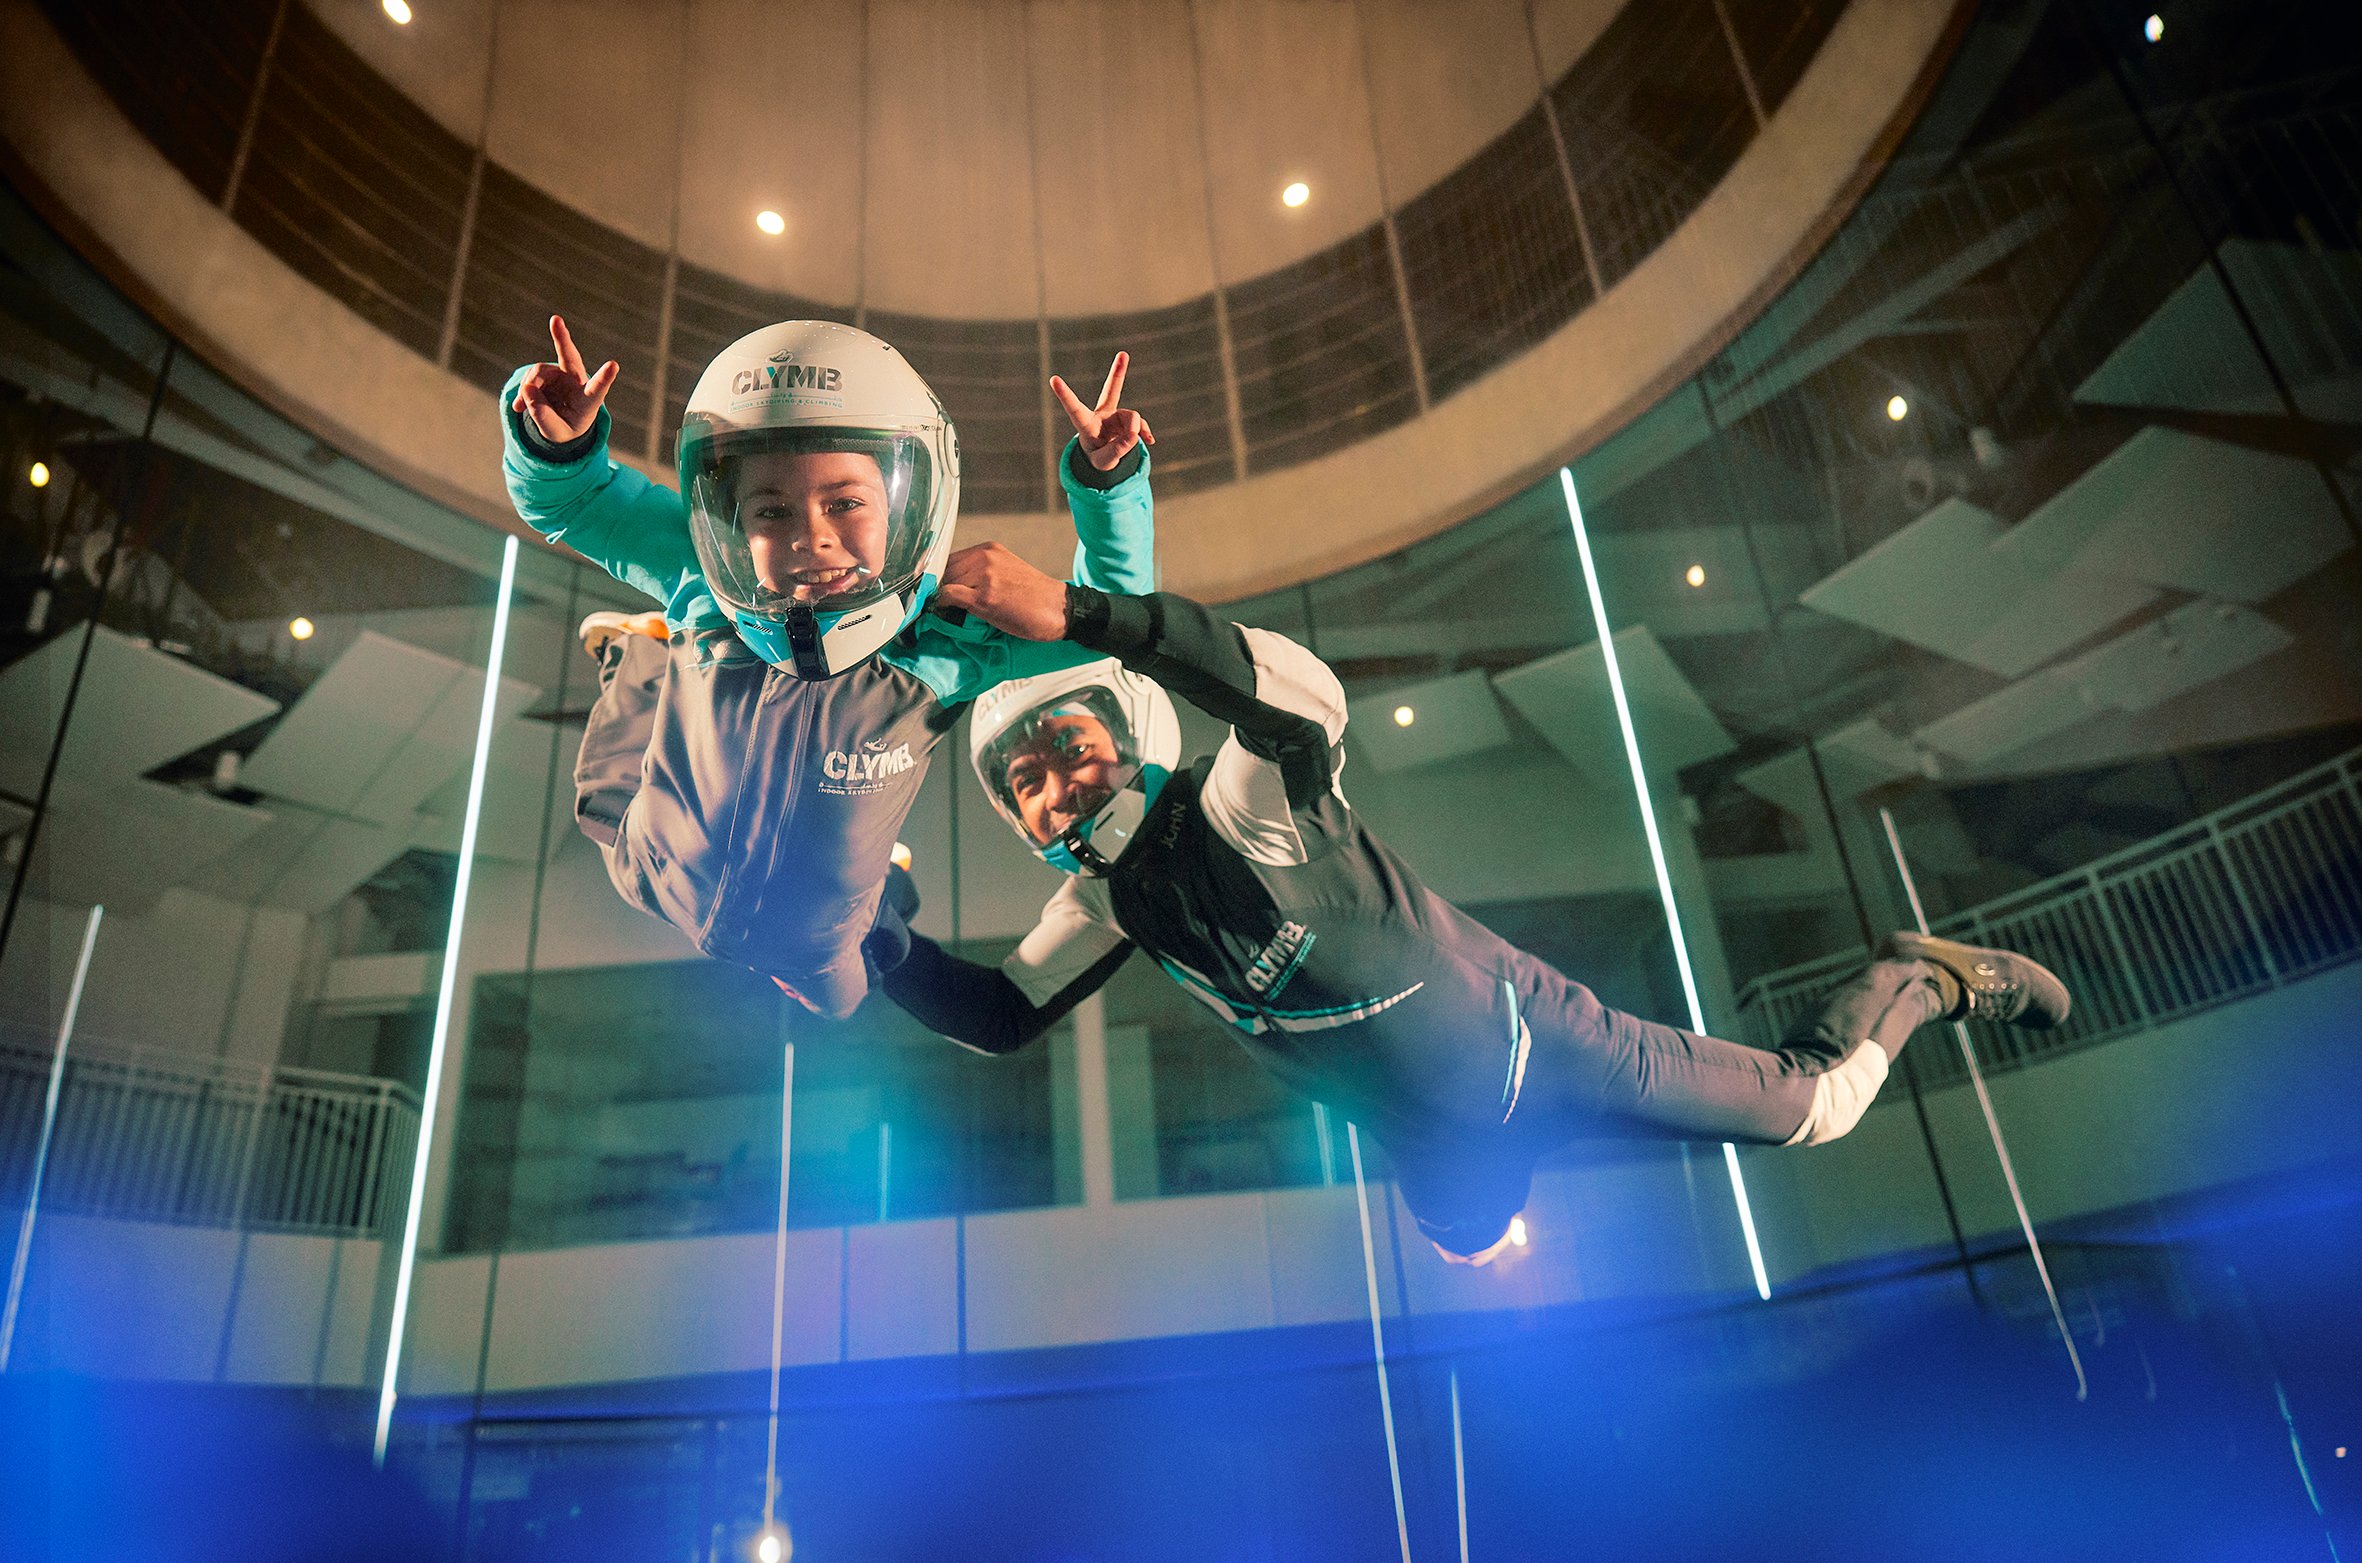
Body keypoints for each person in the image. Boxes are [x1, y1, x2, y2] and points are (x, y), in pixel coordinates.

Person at [869, 546, 2075, 1266]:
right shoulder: (1103, 906)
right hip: (1442, 1139)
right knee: (1460, 1237)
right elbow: (999, 1013)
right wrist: (871, 937)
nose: (1050, 785)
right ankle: (1482, 1228)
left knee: (1821, 1111)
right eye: (1021, 782)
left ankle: (1932, 976)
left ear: (1127, 734)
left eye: (1064, 749)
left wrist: (1086, 618)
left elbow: (1303, 702)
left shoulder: (1241, 802)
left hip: (1555, 1055)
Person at [507, 315, 1157, 1018]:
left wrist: (1109, 483)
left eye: (844, 503)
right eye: (771, 509)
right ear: (730, 521)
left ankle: (650, 654)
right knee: (602, 801)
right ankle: (633, 654)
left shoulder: (941, 645)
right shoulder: (705, 581)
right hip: (654, 863)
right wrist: (552, 442)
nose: (811, 535)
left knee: (843, 1003)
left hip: (815, 939)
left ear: (907, 511)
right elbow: (573, 499)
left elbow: (1111, 623)